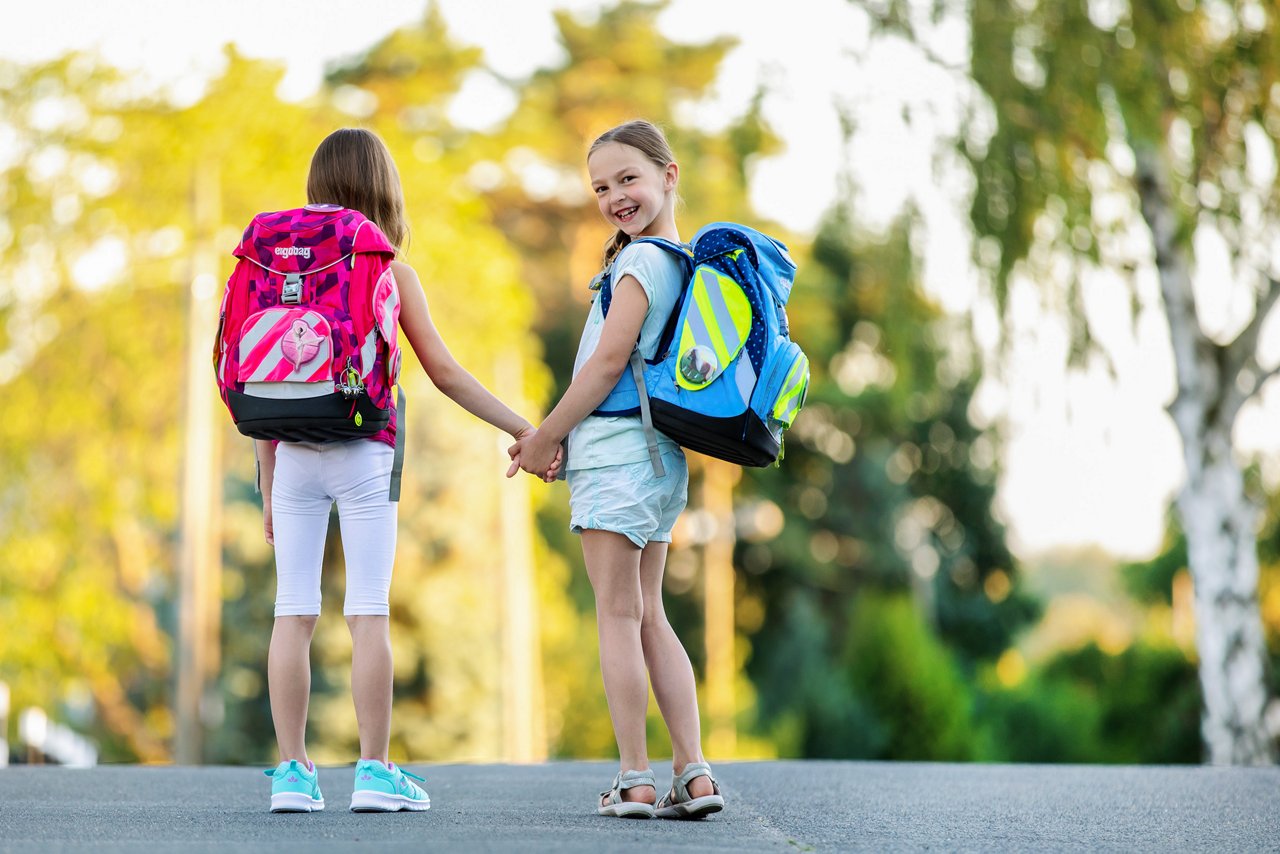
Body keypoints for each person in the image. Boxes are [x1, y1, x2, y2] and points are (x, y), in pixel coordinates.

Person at [258, 127, 557, 813]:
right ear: (384, 189)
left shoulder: (280, 273)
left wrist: (268, 485)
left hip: (293, 453)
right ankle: (374, 770)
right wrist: (524, 429)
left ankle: (293, 774)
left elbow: (263, 386)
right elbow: (444, 372)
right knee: (368, 611)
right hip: (367, 450)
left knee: (292, 610)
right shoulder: (389, 270)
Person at [508, 119, 725, 820]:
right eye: (601, 186)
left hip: (618, 455)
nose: (614, 196)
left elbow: (606, 364)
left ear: (669, 174)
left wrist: (544, 437)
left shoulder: (637, 265)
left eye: (627, 178)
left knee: (617, 614)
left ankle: (634, 775)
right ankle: (693, 775)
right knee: (651, 613)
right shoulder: (679, 261)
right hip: (660, 457)